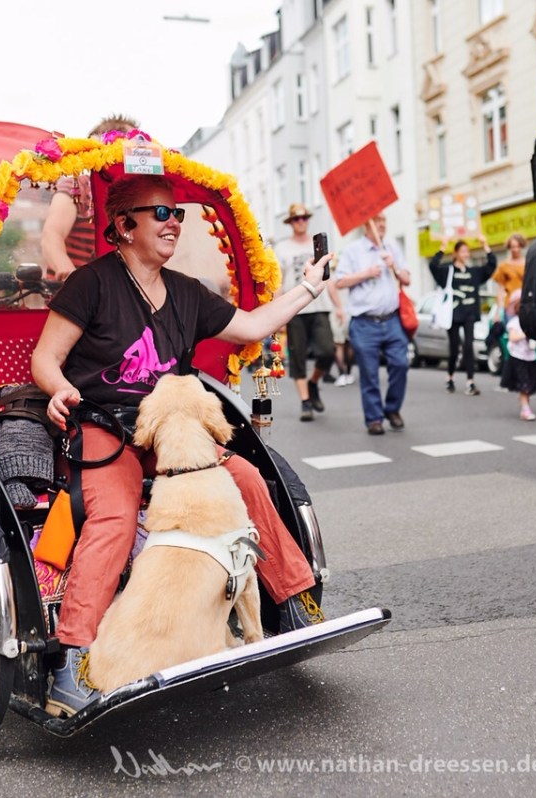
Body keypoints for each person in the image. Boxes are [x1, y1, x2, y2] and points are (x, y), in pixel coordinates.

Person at [30, 173, 334, 715]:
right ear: (124, 226)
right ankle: (70, 661)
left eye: (178, 215)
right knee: (116, 516)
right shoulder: (92, 284)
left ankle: (293, 604)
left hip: (171, 422)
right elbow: (45, 361)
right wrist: (61, 391)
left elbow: (252, 326)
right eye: (162, 214)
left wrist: (309, 286)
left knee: (244, 477)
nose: (174, 224)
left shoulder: (187, 291)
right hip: (107, 423)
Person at [335, 212, 413, 435]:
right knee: (369, 372)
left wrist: (395, 266)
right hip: (364, 322)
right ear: (366, 225)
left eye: (384, 221)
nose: (382, 226)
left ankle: (393, 409)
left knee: (400, 363)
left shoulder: (391, 247)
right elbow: (339, 281)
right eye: (377, 222)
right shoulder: (353, 250)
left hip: (392, 319)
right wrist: (366, 273)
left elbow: (407, 279)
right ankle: (374, 419)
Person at [40, 114, 140, 281]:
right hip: (72, 296)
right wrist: (70, 274)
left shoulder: (136, 197)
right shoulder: (79, 185)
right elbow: (51, 235)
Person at [273, 203, 345, 421]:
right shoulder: (282, 249)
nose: (301, 222)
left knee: (327, 351)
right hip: (295, 309)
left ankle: (314, 383)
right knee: (298, 356)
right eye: (296, 219)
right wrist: (277, 314)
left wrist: (338, 305)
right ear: (291, 223)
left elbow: (328, 278)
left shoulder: (318, 247)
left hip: (319, 306)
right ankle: (305, 401)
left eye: (304, 218)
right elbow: (278, 283)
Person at [429, 236, 496, 395]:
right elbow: (433, 266)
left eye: (468, 251)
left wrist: (485, 245)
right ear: (456, 253)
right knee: (454, 348)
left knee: (468, 346)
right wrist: (442, 248)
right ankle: (450, 376)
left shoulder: (474, 272)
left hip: (469, 314)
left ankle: (470, 382)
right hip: (452, 314)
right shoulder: (448, 271)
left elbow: (491, 266)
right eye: (463, 251)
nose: (466, 254)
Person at [499, 289, 536, 420]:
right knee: (524, 384)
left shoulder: (531, 322)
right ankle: (525, 408)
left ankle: (525, 405)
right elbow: (512, 337)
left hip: (530, 357)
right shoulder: (514, 322)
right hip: (518, 358)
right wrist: (525, 334)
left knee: (529, 384)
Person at [492, 233, 527, 316]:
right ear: (509, 248)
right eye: (513, 246)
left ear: (522, 246)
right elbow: (500, 289)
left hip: (526, 304)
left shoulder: (528, 263)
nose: (516, 249)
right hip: (510, 306)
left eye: (518, 246)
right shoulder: (504, 266)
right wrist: (497, 311)